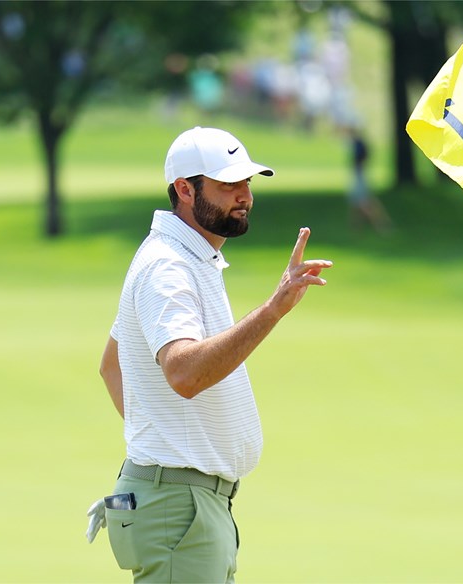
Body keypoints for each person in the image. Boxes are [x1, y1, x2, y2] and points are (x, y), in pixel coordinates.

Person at [87, 126, 333, 582]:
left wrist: (161, 445)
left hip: (182, 503)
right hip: (179, 507)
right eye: (227, 185)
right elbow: (184, 374)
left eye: (247, 183)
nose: (244, 196)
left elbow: (110, 366)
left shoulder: (184, 257)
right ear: (185, 189)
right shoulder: (168, 267)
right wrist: (273, 309)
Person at [347, 126, 392, 234]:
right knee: (355, 203)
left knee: (364, 202)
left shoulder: (358, 144)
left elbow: (360, 159)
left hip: (360, 174)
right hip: (359, 174)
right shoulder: (357, 143)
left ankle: (381, 225)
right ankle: (356, 228)